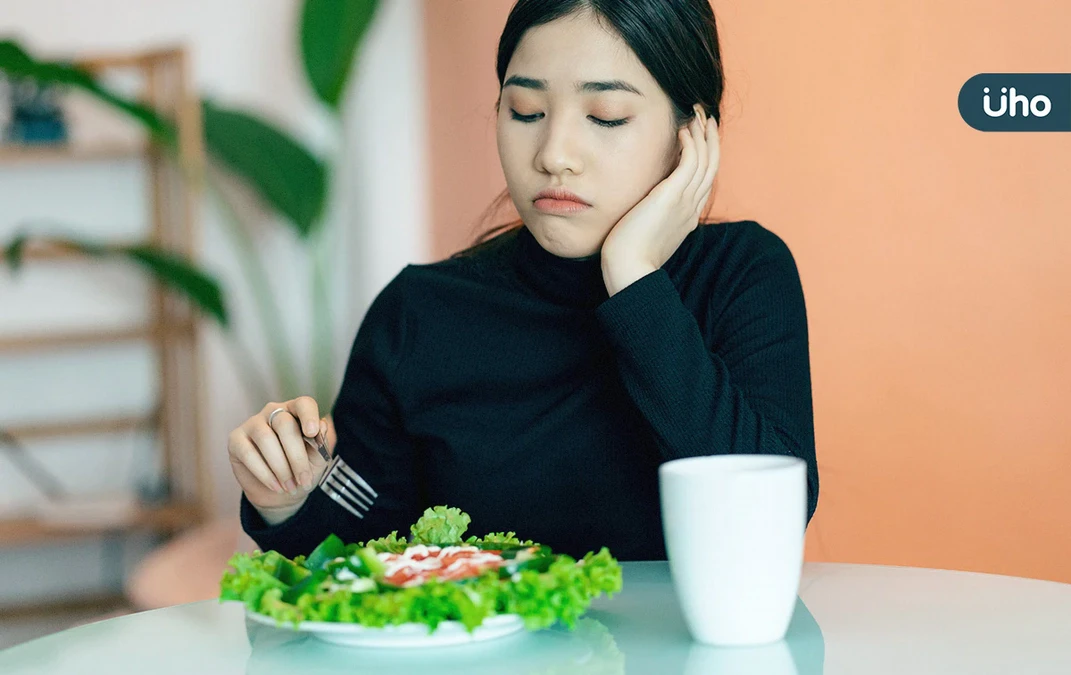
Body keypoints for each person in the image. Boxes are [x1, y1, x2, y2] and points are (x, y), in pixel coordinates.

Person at [229, 0, 819, 562]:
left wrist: (636, 282)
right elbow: (361, 557)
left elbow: (766, 517)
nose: (554, 154)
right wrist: (287, 501)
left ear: (694, 132)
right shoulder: (419, 314)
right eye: (526, 112)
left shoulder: (742, 273)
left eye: (606, 116)